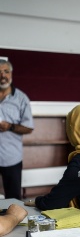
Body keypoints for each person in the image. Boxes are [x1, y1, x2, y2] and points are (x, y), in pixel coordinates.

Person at [0, 59, 34, 200]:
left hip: (11, 158)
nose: (2, 75)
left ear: (11, 74)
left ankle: (12, 222)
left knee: (13, 199)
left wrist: (10, 126)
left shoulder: (21, 98)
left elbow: (29, 127)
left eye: (6, 72)